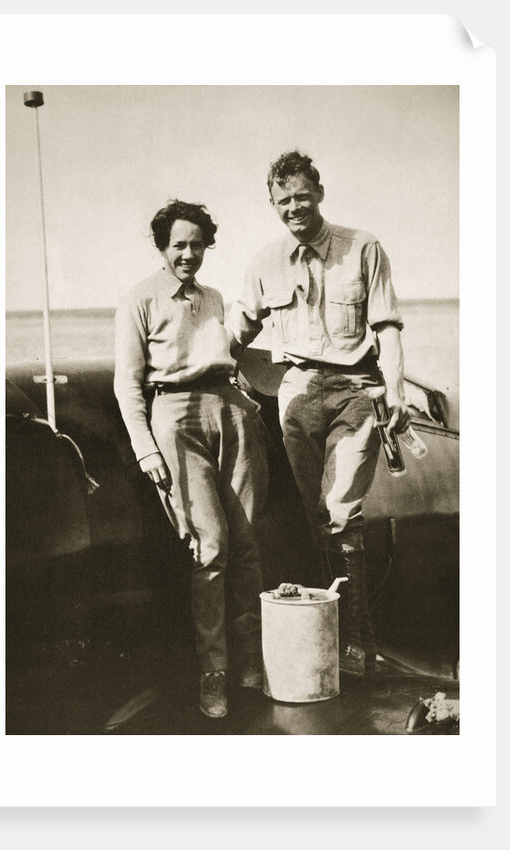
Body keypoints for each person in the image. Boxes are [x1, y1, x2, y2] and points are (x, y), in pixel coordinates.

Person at [227, 151, 410, 676]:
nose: (293, 207)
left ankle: (358, 641)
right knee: (316, 519)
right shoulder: (264, 263)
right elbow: (239, 328)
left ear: (320, 194)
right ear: (272, 205)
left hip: (357, 390)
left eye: (302, 196)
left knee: (340, 509)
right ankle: (332, 632)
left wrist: (394, 387)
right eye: (282, 200)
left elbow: (388, 326)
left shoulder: (362, 247)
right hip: (298, 394)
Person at [114, 199, 269, 718]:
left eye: (197, 244)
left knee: (247, 544)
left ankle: (252, 661)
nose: (188, 253)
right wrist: (145, 448)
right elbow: (127, 384)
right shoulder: (138, 300)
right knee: (210, 548)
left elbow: (224, 352)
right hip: (175, 418)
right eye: (179, 244)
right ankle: (214, 673)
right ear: (162, 248)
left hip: (231, 412)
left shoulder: (216, 298)